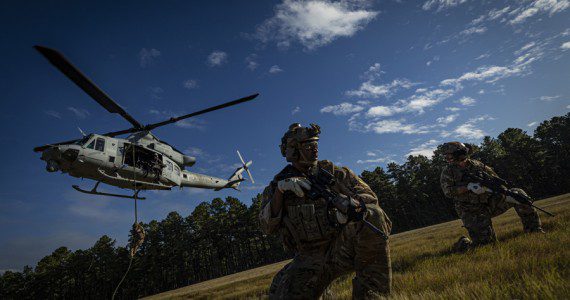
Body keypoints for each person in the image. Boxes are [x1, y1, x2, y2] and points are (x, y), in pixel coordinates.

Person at [259, 123, 392, 299]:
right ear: (293, 151)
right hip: (308, 259)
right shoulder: (277, 187)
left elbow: (369, 197)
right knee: (280, 292)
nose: (315, 150)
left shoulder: (336, 174)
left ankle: (372, 294)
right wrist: (280, 192)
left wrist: (350, 207)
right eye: (309, 146)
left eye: (316, 145)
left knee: (373, 214)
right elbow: (266, 227)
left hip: (342, 247)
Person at [439, 141, 543, 250]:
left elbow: (496, 181)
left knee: (518, 194)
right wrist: (468, 187)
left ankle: (534, 231)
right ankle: (463, 243)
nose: (447, 158)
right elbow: (448, 192)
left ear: (458, 153)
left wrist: (505, 193)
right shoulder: (448, 172)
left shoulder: (478, 165)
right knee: (486, 245)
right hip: (471, 210)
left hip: (490, 202)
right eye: (446, 156)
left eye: (449, 155)